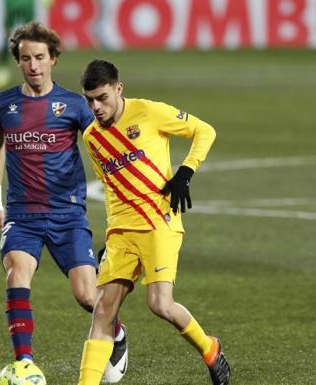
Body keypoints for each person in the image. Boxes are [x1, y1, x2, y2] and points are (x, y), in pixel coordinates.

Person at [0, 23, 128, 381]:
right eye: (25, 59)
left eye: (39, 58)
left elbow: (105, 143)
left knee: (86, 295)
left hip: (68, 215)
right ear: (18, 62)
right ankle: (24, 362)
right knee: (17, 274)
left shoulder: (76, 106)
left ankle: (118, 334)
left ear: (53, 60)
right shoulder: (3, 105)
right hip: (23, 216)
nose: (33, 66)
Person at [75, 59, 230, 385]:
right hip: (122, 231)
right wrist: (110, 237)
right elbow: (112, 189)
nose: (95, 107)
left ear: (119, 89)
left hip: (159, 223)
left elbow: (205, 130)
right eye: (89, 100)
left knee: (160, 304)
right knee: (103, 312)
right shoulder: (91, 138)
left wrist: (186, 171)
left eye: (102, 98)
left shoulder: (148, 112)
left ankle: (210, 348)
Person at [0, 0, 53, 88]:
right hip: (11, 3)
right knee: (7, 36)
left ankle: (36, 71)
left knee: (31, 36)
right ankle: (2, 69)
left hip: (27, 3)